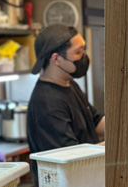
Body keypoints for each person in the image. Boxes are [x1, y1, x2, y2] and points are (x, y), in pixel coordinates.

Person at [27, 24, 105, 158]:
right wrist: (116, 144)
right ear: (56, 59)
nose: (84, 57)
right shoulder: (47, 103)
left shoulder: (69, 84)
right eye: (78, 52)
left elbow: (95, 124)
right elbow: (73, 158)